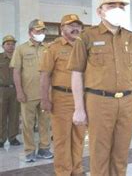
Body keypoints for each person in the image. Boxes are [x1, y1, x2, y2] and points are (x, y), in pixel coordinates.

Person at [67, 0, 132, 175]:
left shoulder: (131, 38)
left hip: (127, 101)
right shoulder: (87, 37)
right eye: (111, 6)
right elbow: (77, 74)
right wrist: (79, 108)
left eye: (121, 6)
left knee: (121, 155)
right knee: (99, 154)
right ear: (100, 11)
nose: (117, 9)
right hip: (99, 102)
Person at [39, 14, 86, 175]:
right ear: (62, 29)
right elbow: (45, 75)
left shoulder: (85, 46)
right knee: (62, 139)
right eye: (70, 26)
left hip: (81, 99)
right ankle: (63, 172)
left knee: (79, 137)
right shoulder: (53, 48)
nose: (75, 28)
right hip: (61, 98)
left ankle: (77, 170)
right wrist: (45, 99)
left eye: (78, 26)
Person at [10, 19, 53, 162]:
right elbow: (16, 72)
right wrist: (19, 91)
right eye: (37, 31)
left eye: (42, 31)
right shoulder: (21, 49)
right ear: (30, 32)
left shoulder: (47, 48)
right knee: (28, 124)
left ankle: (44, 149)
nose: (41, 33)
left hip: (45, 94)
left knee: (45, 123)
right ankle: (29, 151)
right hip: (28, 94)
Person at [0, 35, 21, 148]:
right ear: (3, 46)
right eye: (8, 44)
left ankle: (13, 137)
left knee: (14, 114)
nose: (11, 46)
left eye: (13, 44)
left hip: (15, 89)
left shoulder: (18, 57)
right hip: (2, 90)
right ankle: (1, 139)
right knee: (1, 114)